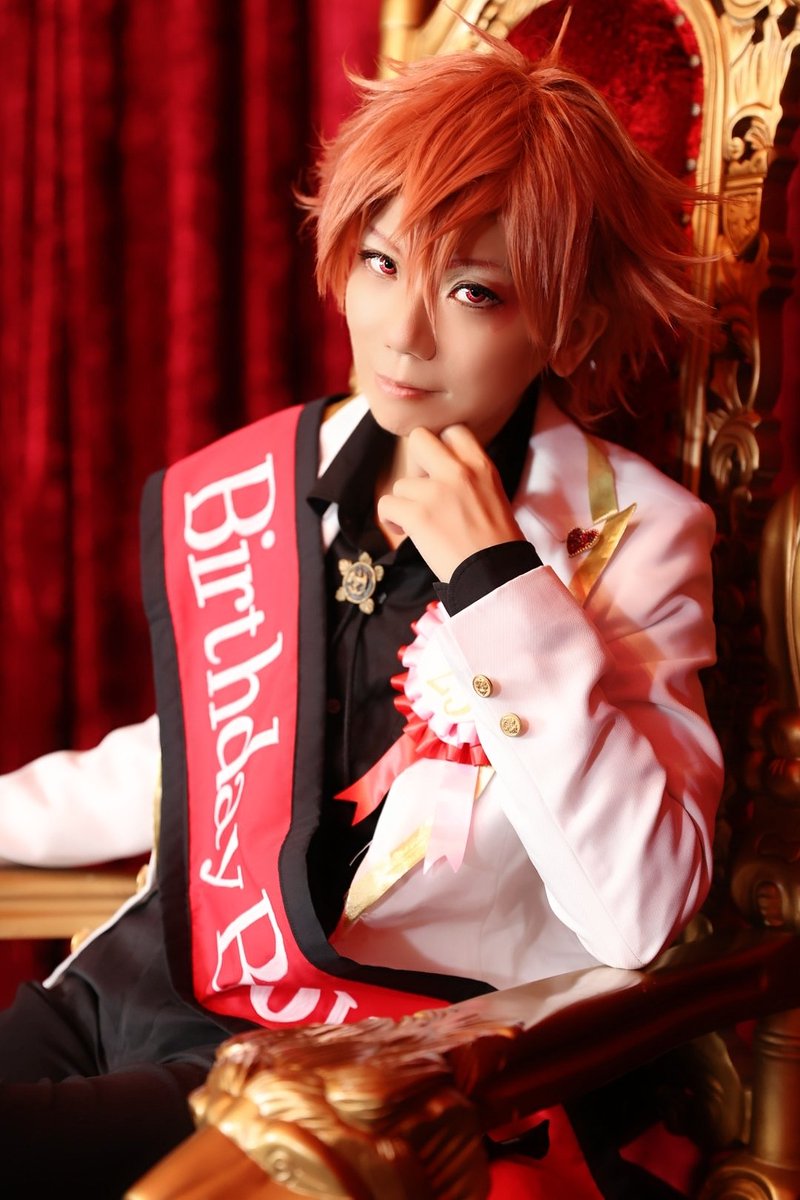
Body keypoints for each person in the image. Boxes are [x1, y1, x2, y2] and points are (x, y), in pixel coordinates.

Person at [0, 37, 722, 1198]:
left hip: (321, 1054)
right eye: (381, 263)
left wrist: (496, 582)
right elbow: (206, 757)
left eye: (472, 291)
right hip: (138, 980)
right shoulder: (284, 474)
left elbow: (638, 911)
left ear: (569, 326)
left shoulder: (635, 538)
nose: (401, 333)